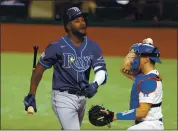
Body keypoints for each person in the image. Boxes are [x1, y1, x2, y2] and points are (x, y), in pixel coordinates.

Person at [23, 7, 108, 130]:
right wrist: (31, 95)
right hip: (62, 98)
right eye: (77, 21)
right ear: (68, 26)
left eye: (83, 20)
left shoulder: (93, 46)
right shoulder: (56, 47)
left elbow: (101, 70)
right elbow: (38, 71)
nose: (83, 23)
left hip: (82, 98)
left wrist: (95, 84)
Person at [101, 42, 164, 130]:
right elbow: (125, 68)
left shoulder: (148, 81)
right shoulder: (144, 76)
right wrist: (143, 46)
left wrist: (115, 115)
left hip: (149, 125)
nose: (134, 59)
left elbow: (142, 112)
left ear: (146, 59)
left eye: (137, 56)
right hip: (146, 124)